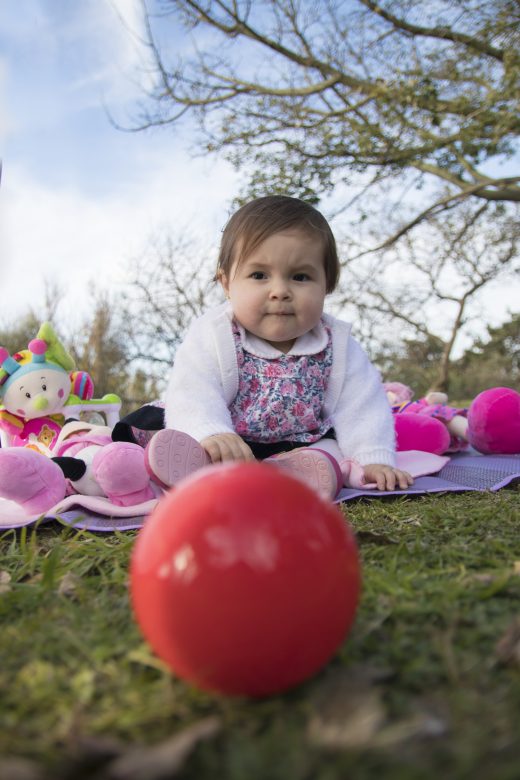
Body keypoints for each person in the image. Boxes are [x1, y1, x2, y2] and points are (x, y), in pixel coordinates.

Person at [145, 195, 413, 499]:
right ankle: (194, 466)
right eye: (259, 275)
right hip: (225, 439)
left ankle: (294, 472)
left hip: (298, 445)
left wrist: (373, 457)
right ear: (226, 284)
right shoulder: (216, 334)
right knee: (164, 435)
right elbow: (192, 388)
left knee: (334, 452)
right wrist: (210, 431)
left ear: (327, 286)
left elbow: (363, 405)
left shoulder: (337, 344)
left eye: (300, 277)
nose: (280, 291)